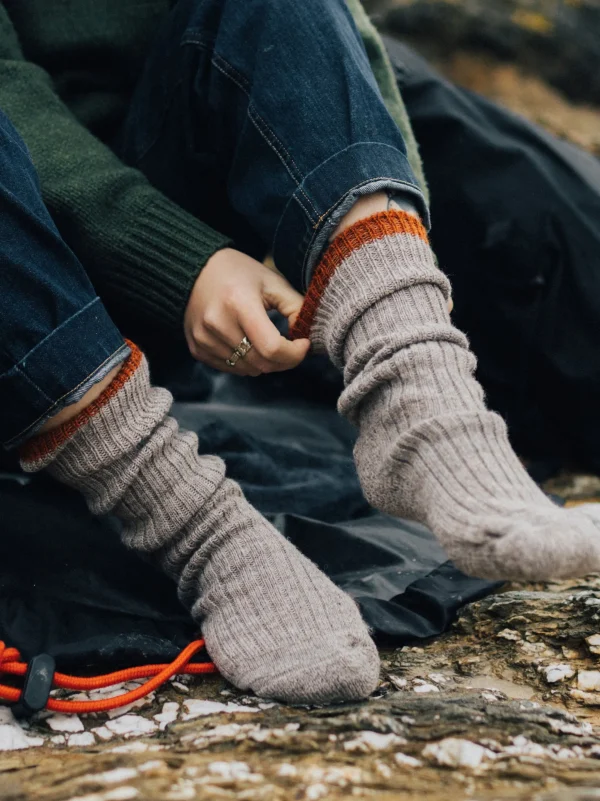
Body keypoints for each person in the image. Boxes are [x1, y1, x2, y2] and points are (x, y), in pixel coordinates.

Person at [1, 0, 598, 705]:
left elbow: (334, 36)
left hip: (132, 220)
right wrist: (177, 258)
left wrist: (391, 276)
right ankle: (193, 528)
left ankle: (420, 403)